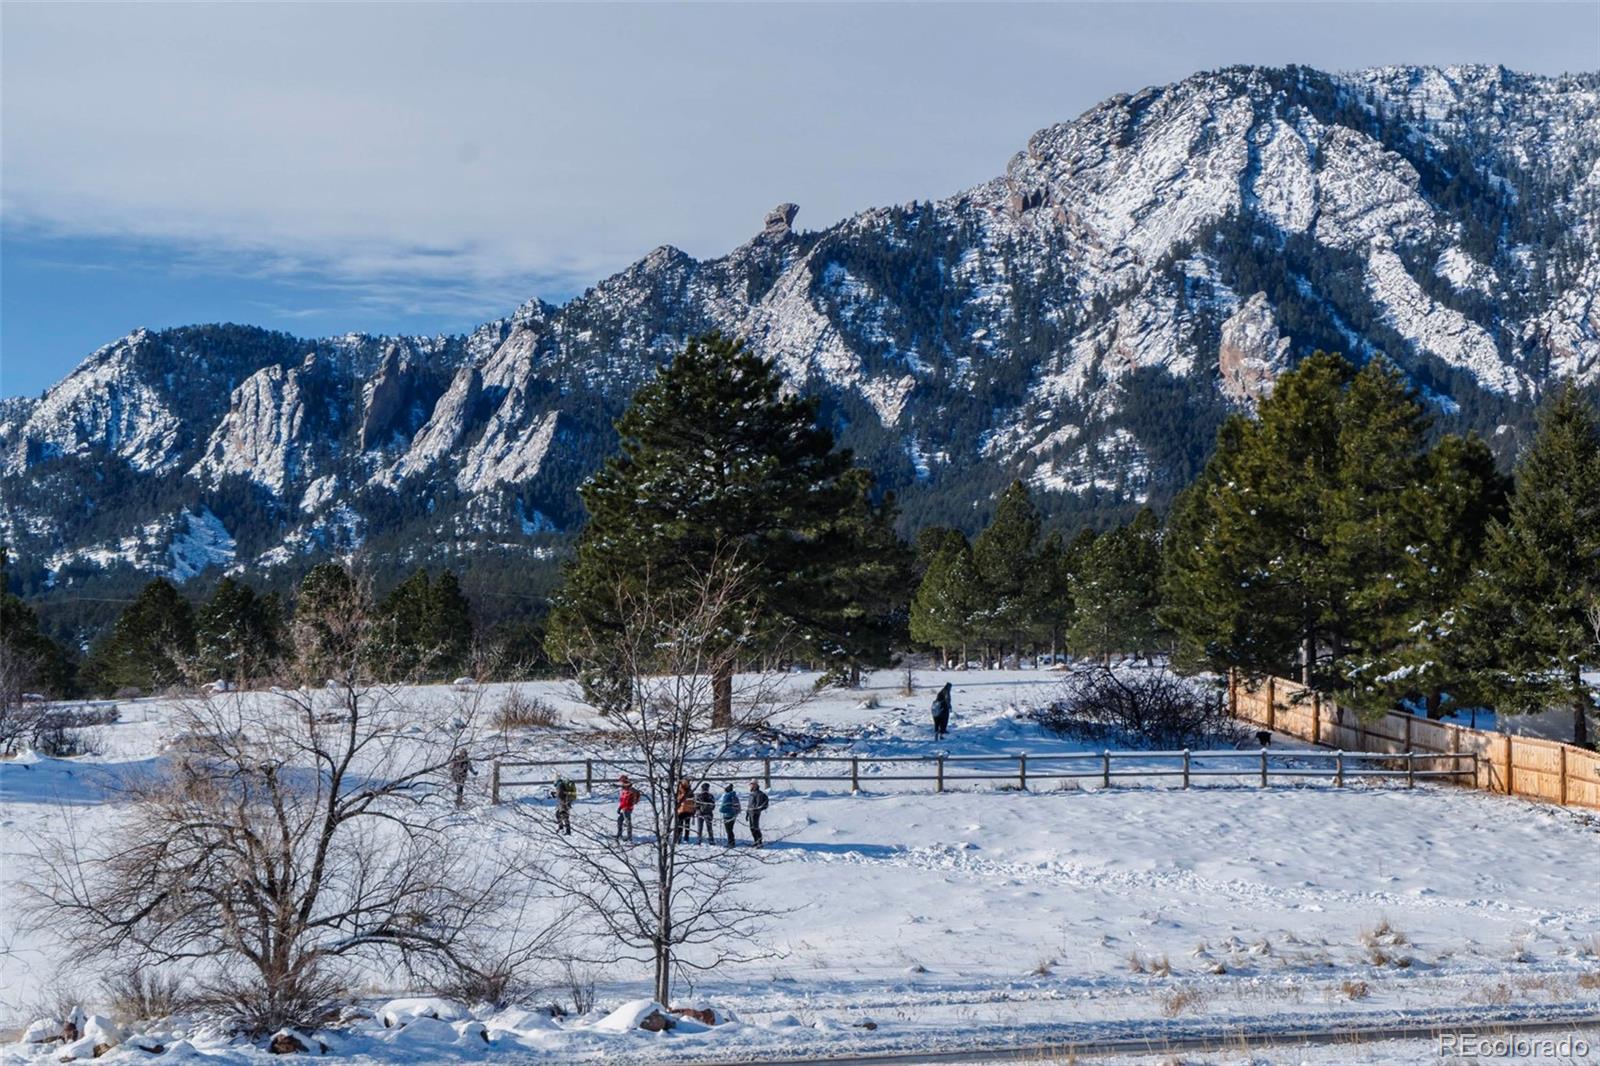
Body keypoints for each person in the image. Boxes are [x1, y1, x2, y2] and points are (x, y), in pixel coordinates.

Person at [616, 774, 640, 842]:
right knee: (620, 821)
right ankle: (619, 834)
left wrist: (634, 801)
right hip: (623, 808)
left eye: (622, 782)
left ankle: (629, 837)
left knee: (628, 822)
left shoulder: (630, 790)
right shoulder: (623, 791)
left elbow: (636, 794)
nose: (622, 784)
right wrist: (620, 807)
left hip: (628, 808)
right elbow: (622, 801)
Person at [746, 780, 769, 848]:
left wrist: (758, 809)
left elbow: (761, 804)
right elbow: (750, 804)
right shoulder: (752, 793)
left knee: (756, 828)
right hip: (750, 812)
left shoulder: (759, 794)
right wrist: (747, 813)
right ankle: (755, 841)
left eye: (752, 784)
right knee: (752, 828)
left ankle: (760, 842)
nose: (751, 785)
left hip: (755, 813)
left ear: (756, 784)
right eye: (751, 784)